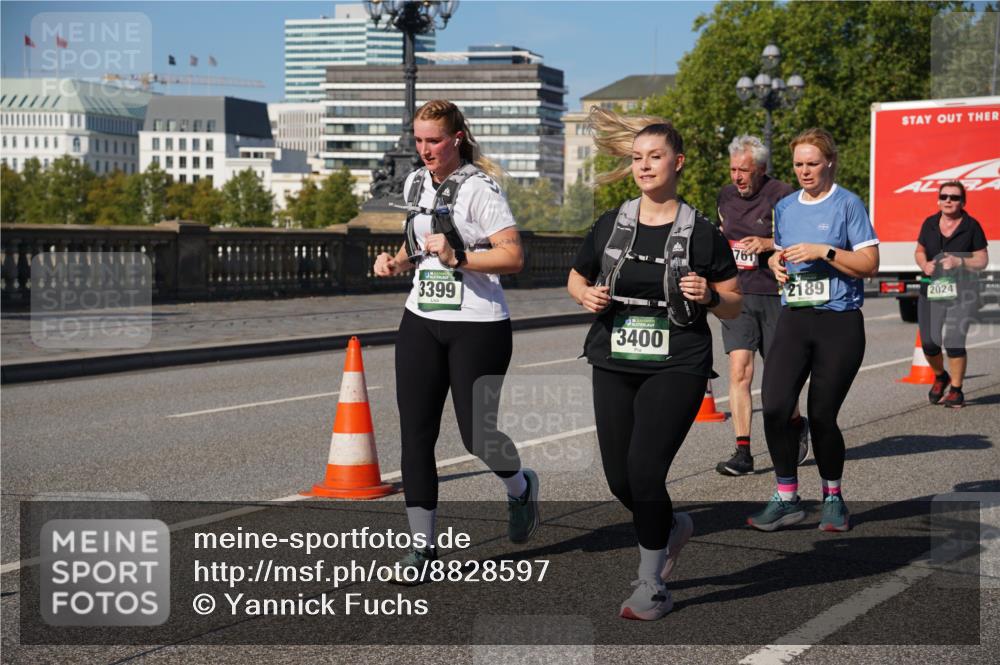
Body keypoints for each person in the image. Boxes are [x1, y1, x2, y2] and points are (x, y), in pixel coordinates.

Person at [568, 107, 741, 620]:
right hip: (614, 356)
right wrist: (587, 297)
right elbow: (576, 278)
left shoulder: (703, 233)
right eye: (638, 158)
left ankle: (652, 584)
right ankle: (671, 527)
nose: (645, 166)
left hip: (678, 360)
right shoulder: (610, 223)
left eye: (656, 157)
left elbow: (734, 303)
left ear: (678, 162)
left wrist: (709, 294)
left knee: (645, 473)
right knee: (620, 481)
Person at [372, 100, 538, 582]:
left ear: (457, 138)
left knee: (477, 436)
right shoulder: (416, 183)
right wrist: (397, 262)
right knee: (415, 435)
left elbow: (513, 257)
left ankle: (520, 485)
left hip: (478, 324)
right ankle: (422, 548)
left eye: (434, 141)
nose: (424, 150)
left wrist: (460, 256)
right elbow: (420, 244)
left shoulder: (481, 189)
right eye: (418, 140)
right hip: (421, 318)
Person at [749, 128, 879, 534]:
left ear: (829, 163)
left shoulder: (848, 204)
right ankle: (787, 496)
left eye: (812, 163)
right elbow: (782, 252)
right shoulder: (786, 207)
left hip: (838, 321)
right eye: (798, 164)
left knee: (822, 415)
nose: (804, 171)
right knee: (773, 406)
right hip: (795, 317)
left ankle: (833, 498)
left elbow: (869, 263)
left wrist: (824, 251)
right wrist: (774, 261)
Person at [715, 135, 808, 477]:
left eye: (744, 170)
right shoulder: (724, 195)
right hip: (737, 295)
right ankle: (743, 452)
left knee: (779, 379)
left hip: (775, 294)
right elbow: (722, 235)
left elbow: (800, 237)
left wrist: (767, 243)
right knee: (740, 369)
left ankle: (796, 423)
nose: (737, 176)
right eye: (733, 169)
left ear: (762, 169)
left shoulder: (782, 194)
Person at [914, 181, 989, 409]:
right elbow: (919, 250)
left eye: (954, 197)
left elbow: (982, 260)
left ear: (963, 202)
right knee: (929, 342)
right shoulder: (929, 223)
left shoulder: (971, 226)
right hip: (932, 290)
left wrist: (960, 261)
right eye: (945, 196)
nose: (949, 200)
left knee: (954, 341)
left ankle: (956, 390)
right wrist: (924, 263)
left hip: (962, 291)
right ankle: (940, 376)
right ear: (938, 199)